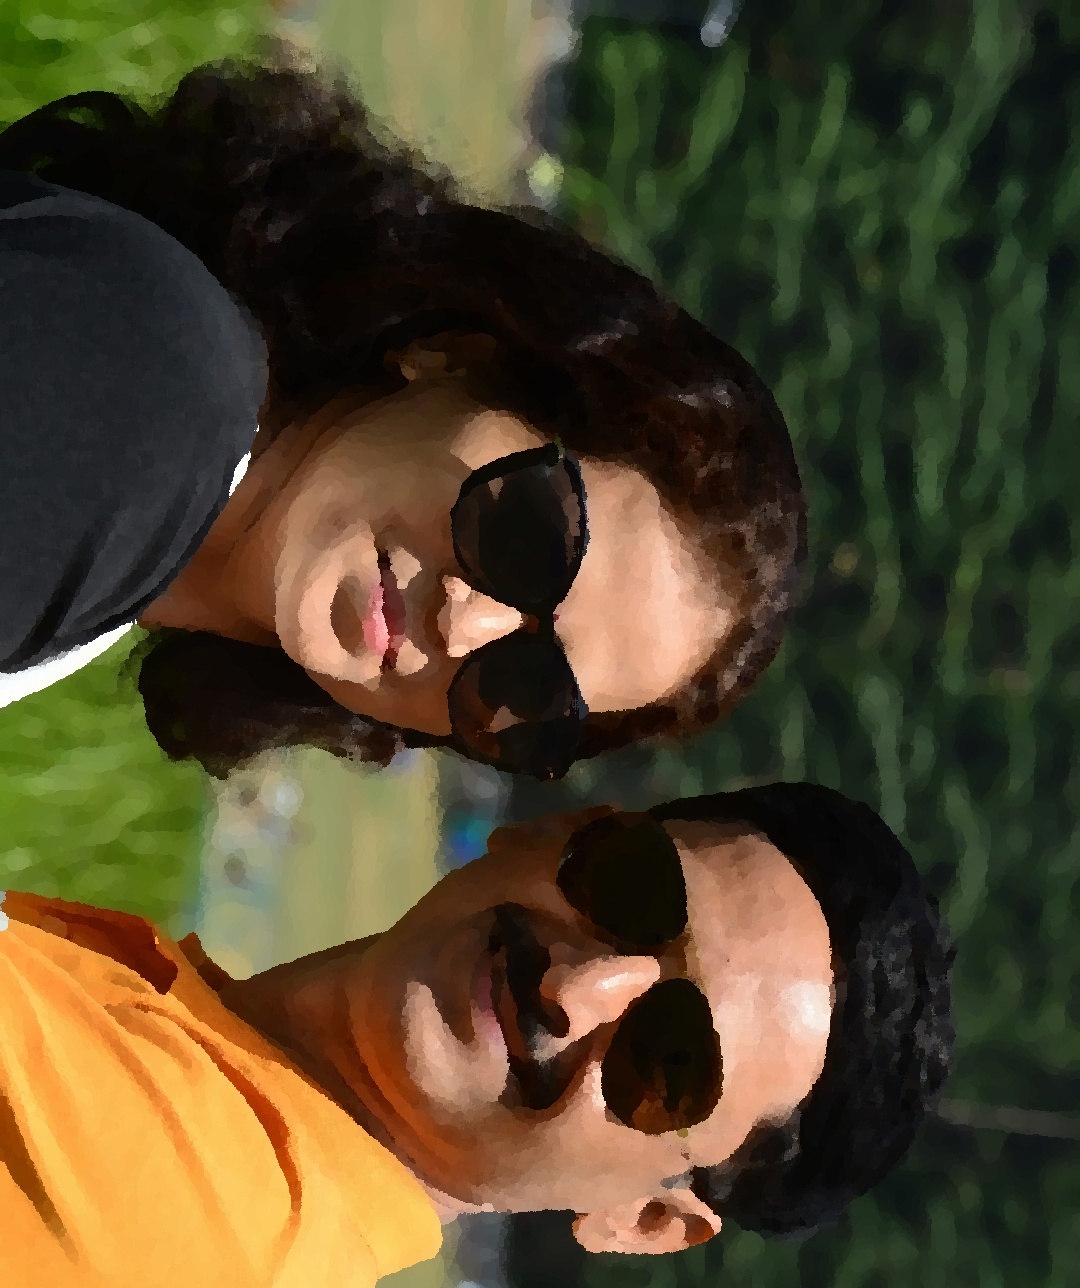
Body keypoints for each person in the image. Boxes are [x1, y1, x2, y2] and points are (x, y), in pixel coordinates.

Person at [0, 782, 953, 1288]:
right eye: (630, 891)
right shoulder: (204, 1068)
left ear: (644, 1220)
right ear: (555, 831)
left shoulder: (217, 1215)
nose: (576, 988)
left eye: (668, 1061)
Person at [0, 42, 806, 780]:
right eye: (524, 535)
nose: (465, 625)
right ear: (457, 353)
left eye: (534, 688)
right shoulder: (152, 401)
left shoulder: (140, 530)